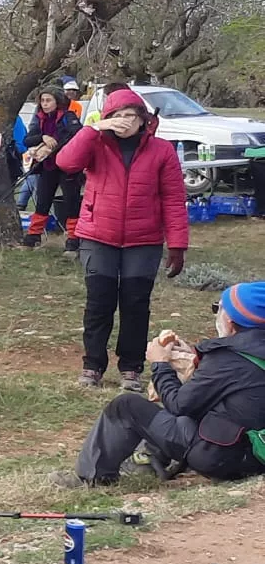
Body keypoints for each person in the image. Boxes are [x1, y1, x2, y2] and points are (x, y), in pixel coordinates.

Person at [53, 283, 265, 488]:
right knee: (193, 410)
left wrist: (160, 364)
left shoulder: (227, 360)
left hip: (226, 458)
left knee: (127, 406)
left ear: (232, 320)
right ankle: (147, 462)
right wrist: (192, 359)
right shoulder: (246, 356)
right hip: (256, 455)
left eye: (217, 309)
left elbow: (180, 404)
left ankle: (92, 478)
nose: (217, 315)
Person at [56, 87, 190, 391]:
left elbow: (173, 199)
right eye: (117, 115)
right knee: (99, 302)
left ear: (143, 120)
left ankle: (131, 369)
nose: (125, 121)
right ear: (107, 117)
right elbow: (66, 162)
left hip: (144, 239)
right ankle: (92, 367)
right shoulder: (95, 143)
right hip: (97, 235)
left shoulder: (162, 151)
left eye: (131, 115)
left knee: (135, 303)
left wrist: (178, 244)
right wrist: (93, 129)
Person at [23, 87, 85, 254]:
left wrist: (54, 144)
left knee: (71, 202)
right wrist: (42, 137)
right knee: (42, 201)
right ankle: (33, 237)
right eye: (42, 100)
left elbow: (78, 136)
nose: (45, 104)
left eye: (48, 100)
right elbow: (27, 140)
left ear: (57, 101)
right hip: (47, 167)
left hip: (68, 167)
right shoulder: (39, 119)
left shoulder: (68, 117)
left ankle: (73, 240)